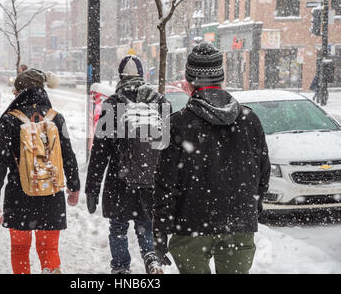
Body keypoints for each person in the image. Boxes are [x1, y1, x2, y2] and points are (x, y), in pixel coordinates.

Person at [153, 41, 271, 274]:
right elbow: (262, 173)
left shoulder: (177, 124)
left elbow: (164, 184)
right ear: (221, 78)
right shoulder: (249, 120)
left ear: (189, 82)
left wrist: (159, 233)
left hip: (191, 226)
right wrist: (250, 207)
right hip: (239, 224)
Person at [0, 68, 80, 274]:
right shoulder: (56, 118)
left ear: (21, 92)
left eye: (15, 90)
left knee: (19, 249)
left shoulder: (11, 119)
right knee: (49, 247)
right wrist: (74, 187)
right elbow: (68, 156)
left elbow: (0, 160)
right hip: (52, 194)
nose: (13, 93)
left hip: (20, 195)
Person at [85, 55, 170, 274]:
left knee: (119, 228)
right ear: (142, 75)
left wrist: (92, 187)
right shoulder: (160, 102)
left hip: (119, 180)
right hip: (150, 180)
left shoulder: (113, 104)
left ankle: (121, 269)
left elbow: (100, 152)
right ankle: (151, 260)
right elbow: (169, 150)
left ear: (121, 76)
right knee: (146, 225)